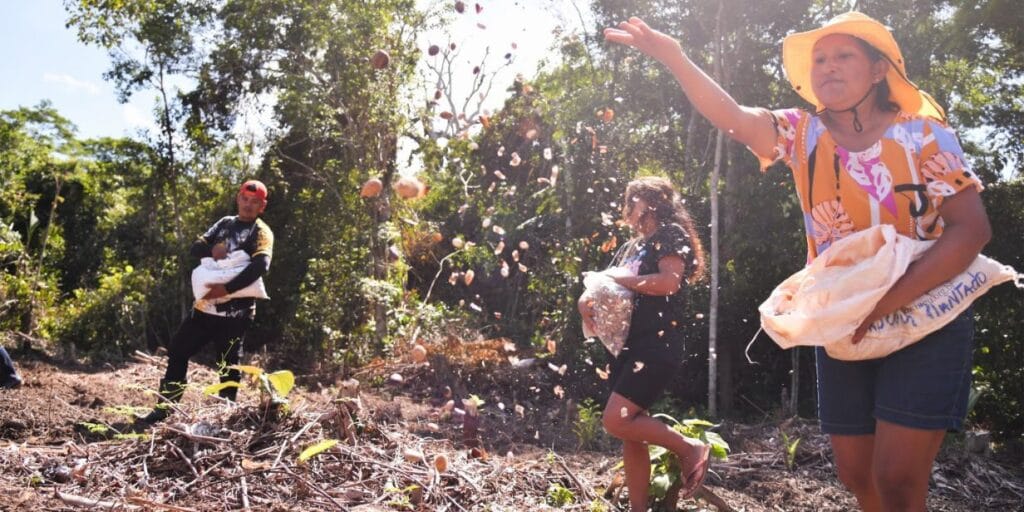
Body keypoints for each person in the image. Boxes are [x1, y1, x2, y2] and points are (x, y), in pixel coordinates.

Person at [605, 11, 990, 512]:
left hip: (925, 316)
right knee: (856, 475)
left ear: (878, 70)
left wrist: (888, 300)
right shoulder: (802, 132)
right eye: (820, 59)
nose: (827, 67)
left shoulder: (923, 134)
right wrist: (673, 55)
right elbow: (733, 117)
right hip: (842, 320)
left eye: (843, 56)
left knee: (897, 478)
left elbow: (972, 229)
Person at [580, 176, 710, 510]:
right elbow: (608, 283)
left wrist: (626, 279)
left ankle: (689, 448)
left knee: (615, 420)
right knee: (630, 431)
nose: (625, 210)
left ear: (650, 202)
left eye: (631, 201)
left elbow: (668, 282)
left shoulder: (669, 234)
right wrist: (586, 299)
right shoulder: (636, 245)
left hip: (657, 344)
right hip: (631, 346)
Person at [141, 180, 274, 423]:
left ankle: (226, 418)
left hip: (236, 315)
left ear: (262, 206)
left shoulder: (261, 232)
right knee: (178, 350)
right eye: (245, 199)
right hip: (204, 309)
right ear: (238, 198)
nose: (248, 205)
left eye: (255, 202)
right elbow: (196, 248)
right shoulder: (225, 223)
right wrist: (213, 252)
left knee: (228, 366)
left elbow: (260, 266)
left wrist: (226, 288)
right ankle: (164, 410)